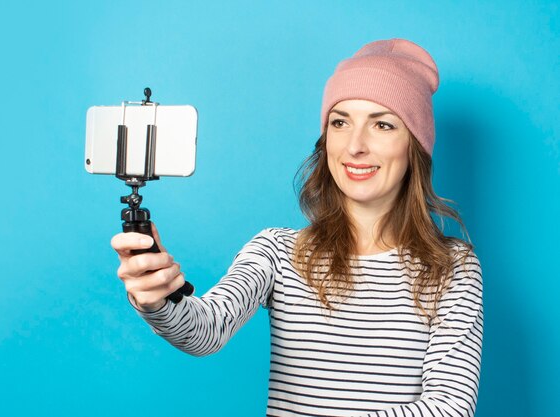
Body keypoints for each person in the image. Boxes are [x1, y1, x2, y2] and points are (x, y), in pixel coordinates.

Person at [110, 38, 483, 417]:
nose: (355, 146)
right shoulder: (277, 252)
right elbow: (205, 330)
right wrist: (156, 299)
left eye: (382, 125)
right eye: (340, 122)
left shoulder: (454, 268)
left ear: (415, 147)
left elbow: (450, 408)